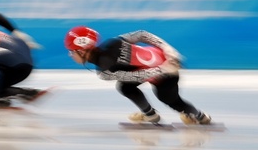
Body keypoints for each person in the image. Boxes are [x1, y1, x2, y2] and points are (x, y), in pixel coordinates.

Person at [64, 26, 211, 125]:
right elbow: (142, 34)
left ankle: (197, 115)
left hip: (165, 73)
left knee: (169, 99)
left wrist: (164, 69)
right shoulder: (113, 42)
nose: (70, 55)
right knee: (126, 87)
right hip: (168, 61)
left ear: (82, 51)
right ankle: (157, 114)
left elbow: (138, 76)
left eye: (71, 51)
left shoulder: (104, 72)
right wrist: (170, 51)